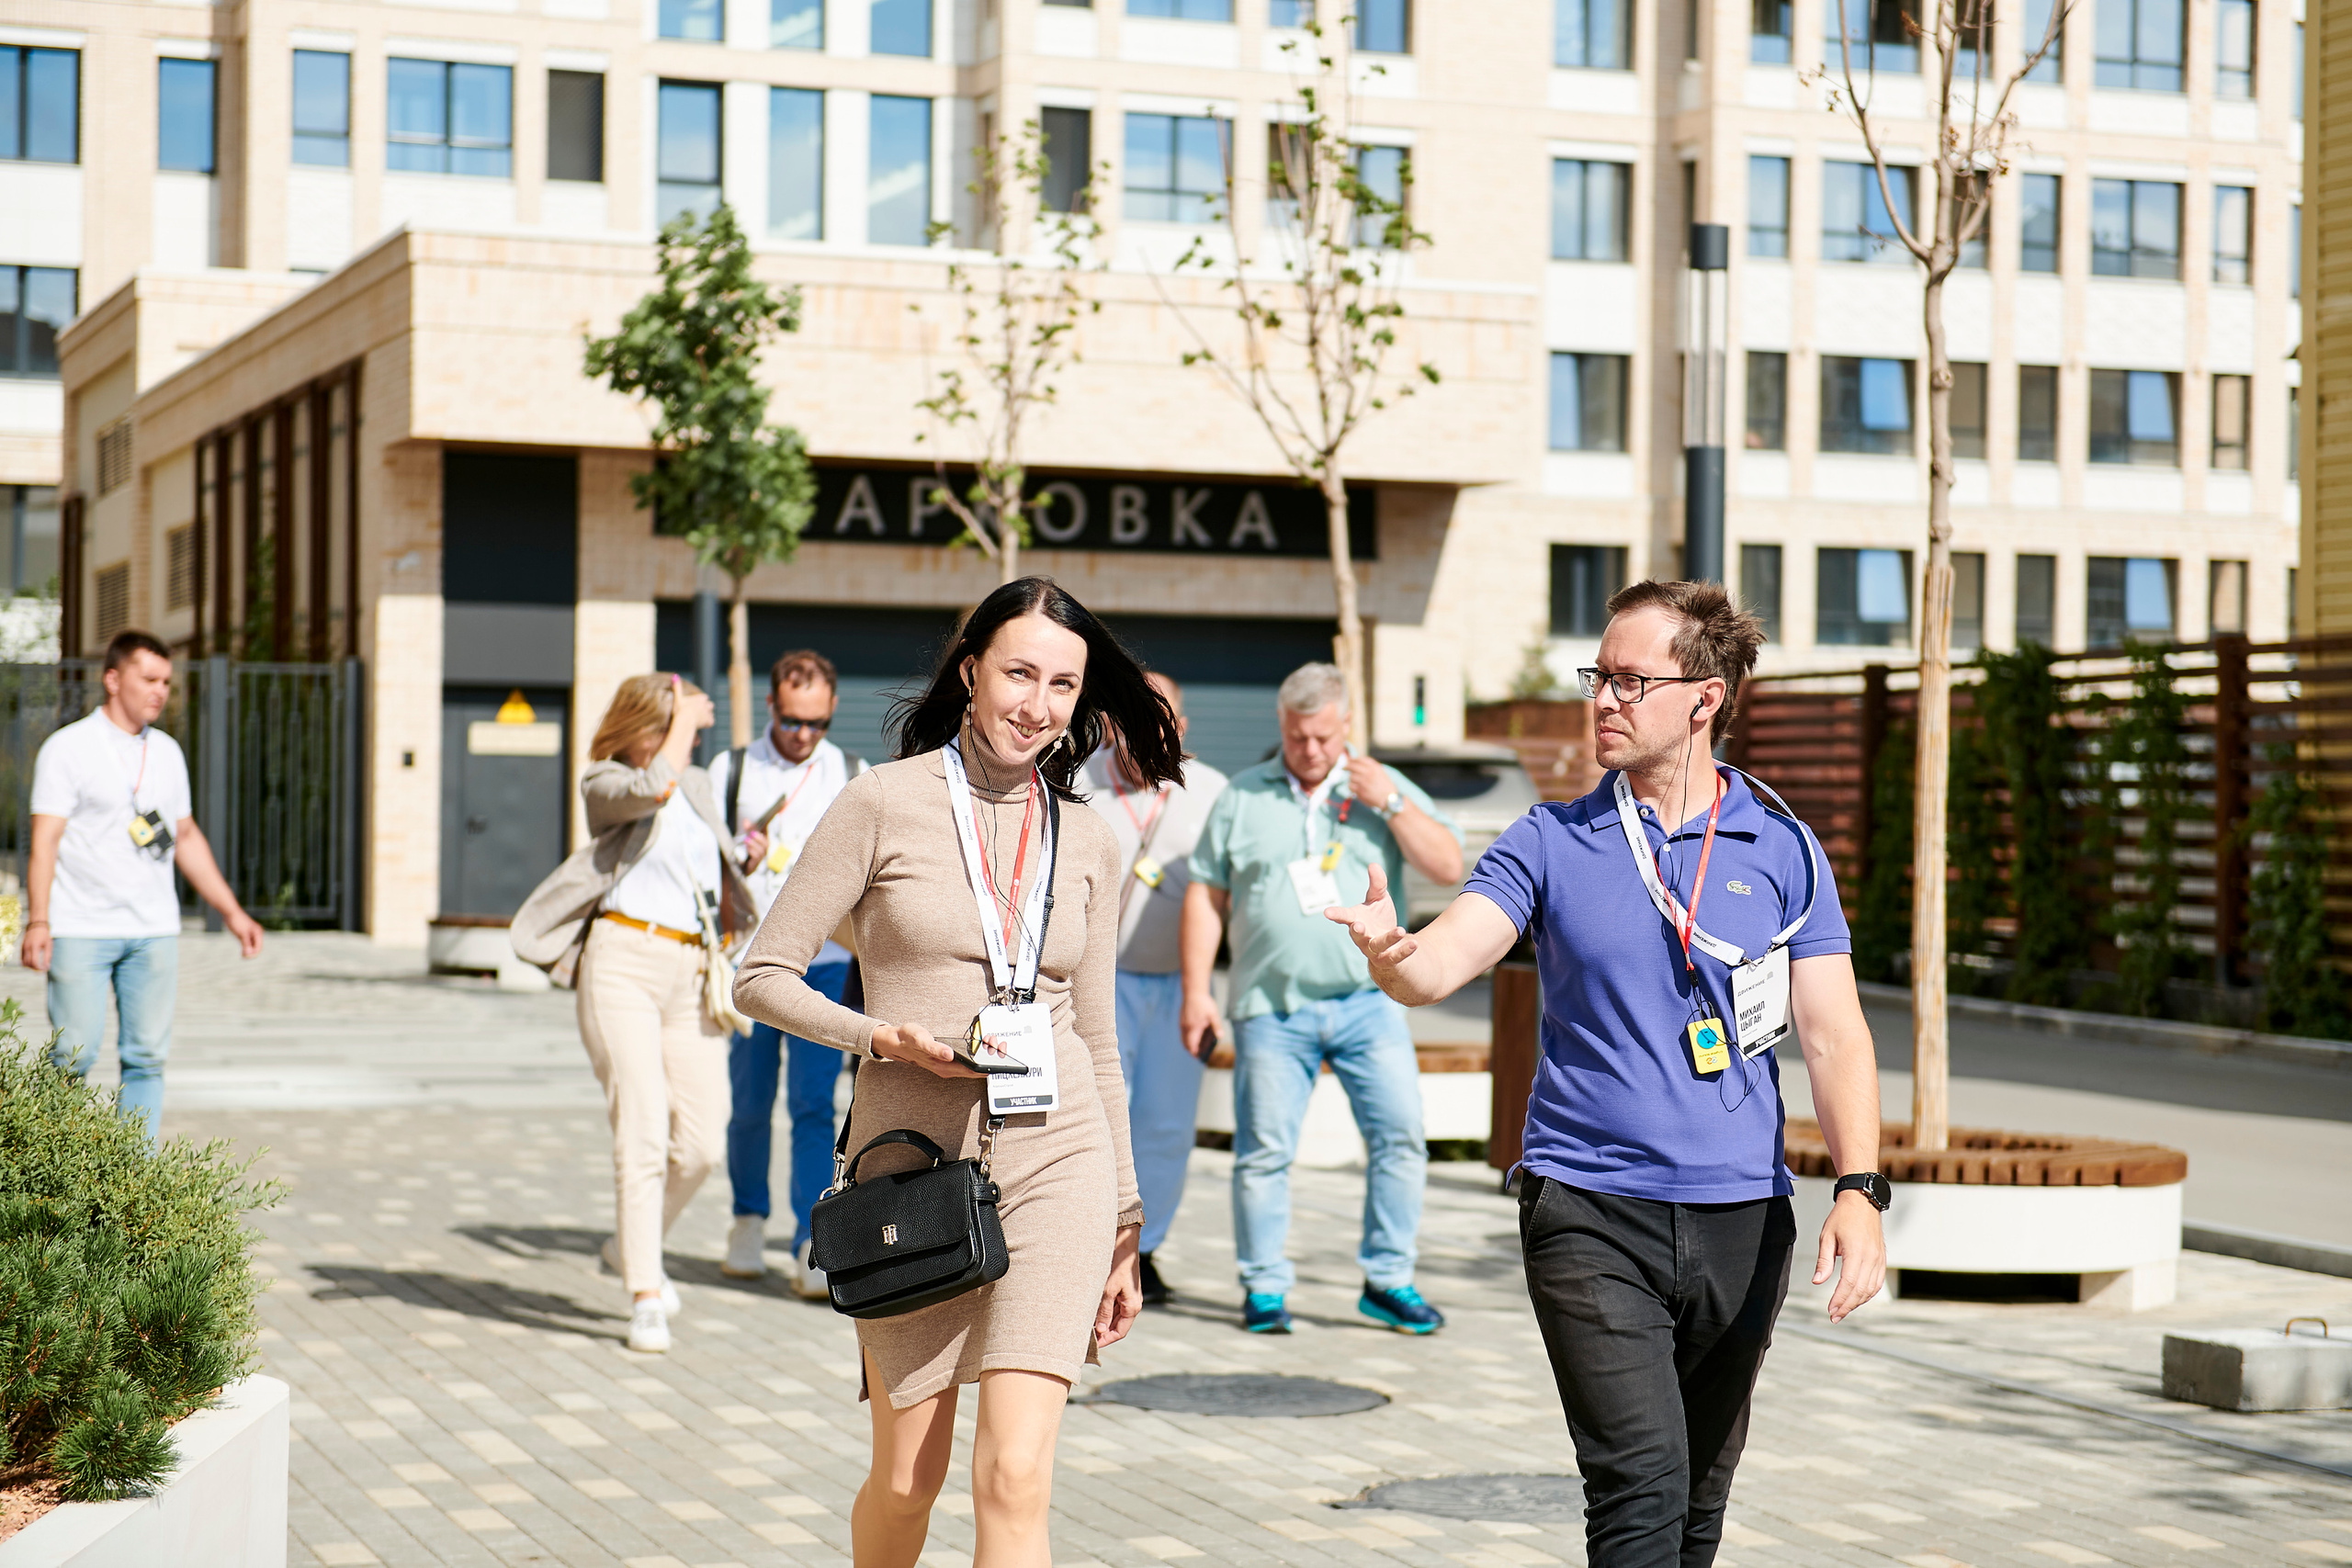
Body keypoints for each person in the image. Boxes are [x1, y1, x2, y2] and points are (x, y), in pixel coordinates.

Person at [1325, 580, 1888, 1568]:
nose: (1603, 701)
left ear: (1703, 698)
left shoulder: (1783, 845)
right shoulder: (1548, 840)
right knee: (1638, 1482)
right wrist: (1389, 953)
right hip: (1587, 1207)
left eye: (1630, 681)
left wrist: (1859, 1189)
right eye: (1599, 677)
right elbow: (1442, 961)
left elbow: (1832, 1028)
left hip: (1741, 1219)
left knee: (1699, 1499)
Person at [734, 575, 1183, 1568]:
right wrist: (877, 1037)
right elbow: (759, 978)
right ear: (971, 668)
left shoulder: (1090, 837)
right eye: (1020, 672)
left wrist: (1124, 1225)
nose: (1038, 704)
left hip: (1058, 1162)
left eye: (1063, 685)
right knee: (907, 1484)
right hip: (911, 1167)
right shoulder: (880, 802)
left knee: (1015, 1477)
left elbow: (1100, 1045)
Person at [1179, 662, 1464, 1336]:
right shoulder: (1244, 794)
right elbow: (1206, 895)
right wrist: (1198, 991)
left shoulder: (1380, 788)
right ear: (1282, 725)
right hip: (1271, 1005)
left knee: (1400, 1138)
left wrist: (1391, 801)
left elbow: (1450, 866)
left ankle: (1389, 1279)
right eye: (1296, 737)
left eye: (1322, 738)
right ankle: (1264, 1289)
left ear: (1346, 729)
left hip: (1370, 1001)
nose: (1308, 751)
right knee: (1264, 1151)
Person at [570, 673, 757, 1354]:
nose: (698, 728)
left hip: (694, 971)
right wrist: (679, 717)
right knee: (643, 1130)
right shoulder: (608, 779)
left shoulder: (700, 783)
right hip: (622, 962)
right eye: (684, 717)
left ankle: (628, 1246)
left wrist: (740, 858)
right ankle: (645, 1293)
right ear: (655, 718)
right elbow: (652, 788)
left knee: (704, 1144)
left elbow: (705, 867)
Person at [22, 629, 265, 1140]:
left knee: (147, 1058)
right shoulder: (68, 749)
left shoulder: (168, 753)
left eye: (167, 682)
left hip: (153, 929)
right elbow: (44, 841)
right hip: (80, 926)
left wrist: (233, 912)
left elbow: (186, 837)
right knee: (73, 1054)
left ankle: (136, 1186)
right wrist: (39, 920)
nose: (160, 691)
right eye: (148, 679)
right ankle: (48, 1179)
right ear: (113, 679)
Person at [707, 649, 870, 1297]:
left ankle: (812, 1234)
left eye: (817, 723)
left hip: (825, 964)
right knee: (748, 1102)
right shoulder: (733, 768)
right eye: (793, 721)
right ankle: (748, 1219)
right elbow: (706, 862)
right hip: (749, 957)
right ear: (772, 706)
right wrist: (733, 861)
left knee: (812, 1102)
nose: (804, 735)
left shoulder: (852, 775)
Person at [1077, 672, 1227, 1305]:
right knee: (1099, 1122)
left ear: (1181, 730)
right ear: (1112, 723)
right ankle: (1087, 1246)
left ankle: (1145, 1248)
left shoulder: (1213, 791)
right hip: (1097, 983)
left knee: (1166, 1125)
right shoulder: (1077, 784)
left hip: (1178, 985)